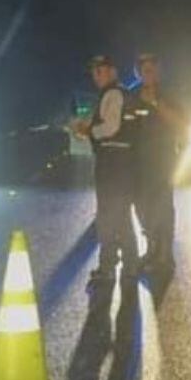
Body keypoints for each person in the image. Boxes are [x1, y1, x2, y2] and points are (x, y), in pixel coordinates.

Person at [70, 55, 140, 285]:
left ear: (112, 72)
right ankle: (129, 264)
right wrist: (88, 129)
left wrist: (88, 131)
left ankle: (108, 266)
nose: (96, 76)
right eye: (94, 72)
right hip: (120, 161)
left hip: (113, 162)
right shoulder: (116, 94)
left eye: (100, 71)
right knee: (120, 215)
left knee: (108, 216)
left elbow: (111, 127)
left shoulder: (113, 94)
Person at [131, 53, 186, 273]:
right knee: (141, 207)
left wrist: (156, 104)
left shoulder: (169, 94)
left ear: (158, 71)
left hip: (163, 160)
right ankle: (152, 248)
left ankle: (165, 254)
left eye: (152, 68)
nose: (148, 73)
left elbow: (182, 124)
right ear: (138, 73)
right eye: (144, 69)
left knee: (163, 207)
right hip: (137, 163)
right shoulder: (131, 95)